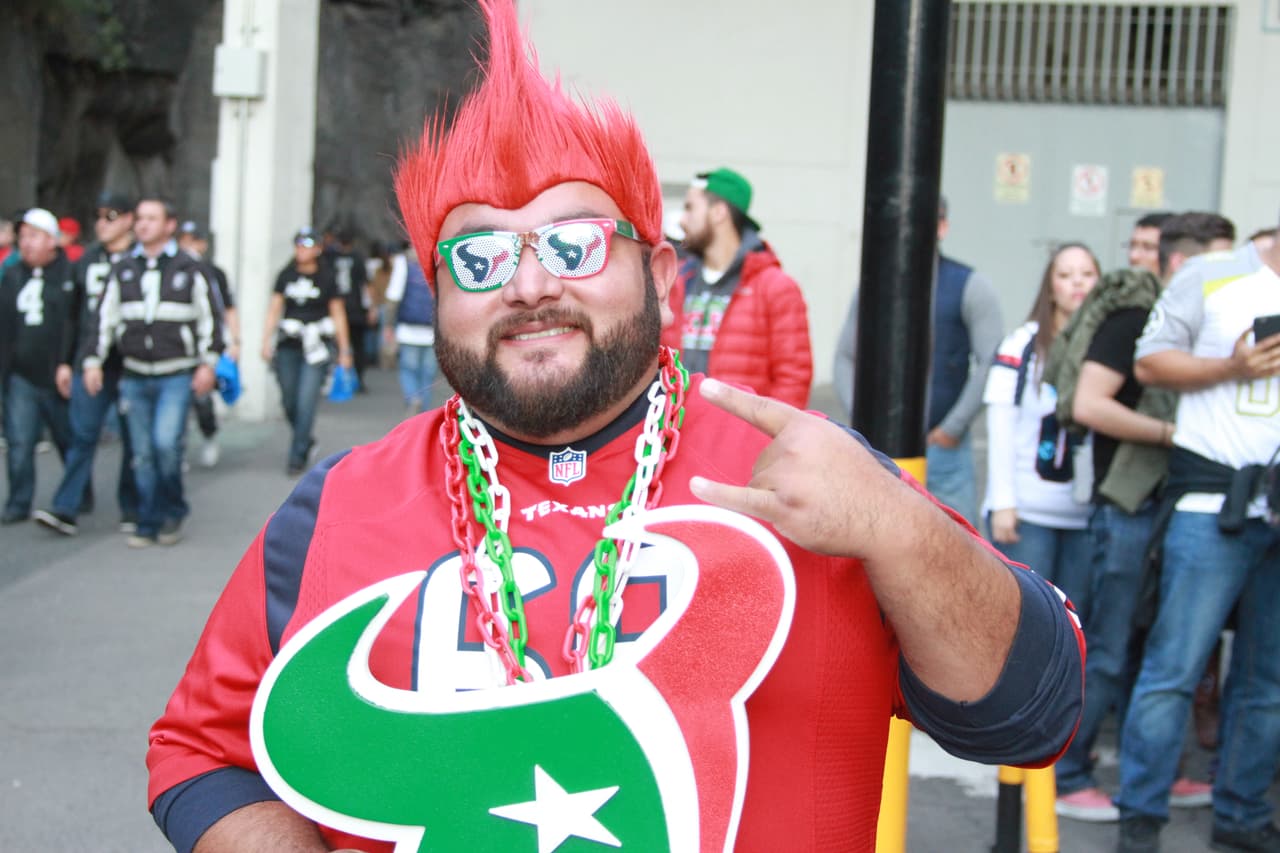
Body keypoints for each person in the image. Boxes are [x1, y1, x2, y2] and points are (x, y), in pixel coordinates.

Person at [145, 3, 1084, 851]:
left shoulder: (814, 481)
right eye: (478, 256)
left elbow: (1033, 713)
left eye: (575, 242)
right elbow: (200, 752)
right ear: (437, 296)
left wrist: (897, 526)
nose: (529, 284)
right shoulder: (338, 505)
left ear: (661, 277)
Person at [1043, 212, 1237, 825]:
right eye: (1226, 260)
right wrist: (1174, 434)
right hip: (1127, 505)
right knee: (1109, 646)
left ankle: (1149, 771)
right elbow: (1087, 404)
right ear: (1184, 264)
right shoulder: (1135, 319)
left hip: (1172, 502)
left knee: (1153, 648)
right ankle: (1067, 775)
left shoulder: (1195, 323)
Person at [1112, 224, 1280, 853]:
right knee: (1173, 669)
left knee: (1267, 680)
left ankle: (1241, 812)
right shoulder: (1211, 275)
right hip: (1212, 503)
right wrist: (1232, 366)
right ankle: (1140, 817)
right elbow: (1149, 362)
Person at [834, 195, 1005, 527]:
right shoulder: (873, 285)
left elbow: (991, 362)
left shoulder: (970, 286)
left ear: (943, 227)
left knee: (955, 541)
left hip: (944, 451)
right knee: (875, 537)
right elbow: (845, 356)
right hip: (877, 447)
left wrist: (952, 429)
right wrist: (861, 418)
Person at [84, 197, 223, 548]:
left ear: (169, 225)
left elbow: (211, 317)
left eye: (151, 218)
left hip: (175, 374)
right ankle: (148, 519)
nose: (143, 225)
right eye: (140, 218)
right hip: (134, 375)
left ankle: (172, 509)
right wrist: (92, 361)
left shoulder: (190, 267)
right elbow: (103, 318)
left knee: (165, 445)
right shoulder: (123, 267)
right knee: (141, 453)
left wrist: (208, 363)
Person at [983, 243, 1099, 616]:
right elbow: (1000, 424)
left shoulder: (1106, 347)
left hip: (1085, 514)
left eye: (1087, 274)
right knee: (1029, 619)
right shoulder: (1022, 344)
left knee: (1075, 621)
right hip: (1027, 514)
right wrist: (1003, 503)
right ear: (1050, 288)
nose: (1077, 283)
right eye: (1065, 275)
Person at [32, 191, 141, 536]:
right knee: (82, 435)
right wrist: (66, 362)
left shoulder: (141, 257)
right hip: (90, 359)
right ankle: (67, 507)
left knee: (133, 439)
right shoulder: (88, 259)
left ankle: (132, 507)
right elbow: (72, 314)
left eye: (111, 216)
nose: (101, 223)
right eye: (99, 215)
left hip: (131, 361)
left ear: (129, 219)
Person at [661, 167, 812, 408]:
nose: (681, 220)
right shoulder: (675, 281)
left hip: (743, 432)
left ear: (718, 212)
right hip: (677, 428)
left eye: (690, 208)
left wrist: (763, 431)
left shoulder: (776, 288)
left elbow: (792, 380)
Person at [0, 208, 77, 524]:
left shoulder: (70, 274)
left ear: (52, 240)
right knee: (19, 441)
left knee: (67, 438)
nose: (26, 243)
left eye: (34, 236)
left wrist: (68, 362)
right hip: (21, 374)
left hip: (57, 372)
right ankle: (18, 502)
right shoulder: (11, 275)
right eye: (22, 237)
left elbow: (75, 323)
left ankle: (77, 492)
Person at [260, 227, 352, 475]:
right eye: (299, 245)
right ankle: (306, 439)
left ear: (318, 249)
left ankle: (297, 454)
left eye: (308, 245)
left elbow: (338, 314)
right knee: (289, 399)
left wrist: (345, 350)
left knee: (306, 400)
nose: (302, 249)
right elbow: (274, 308)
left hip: (316, 347)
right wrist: (266, 340)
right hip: (288, 344)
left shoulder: (327, 277)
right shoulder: (286, 275)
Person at [178, 220, 240, 468]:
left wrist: (235, 340)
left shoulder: (213, 272)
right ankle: (176, 452)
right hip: (176, 348)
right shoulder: (171, 269)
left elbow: (227, 309)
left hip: (205, 347)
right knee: (177, 404)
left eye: (193, 240)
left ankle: (209, 435)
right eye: (183, 239)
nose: (187, 245)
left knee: (202, 400)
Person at [382, 245, 437, 415]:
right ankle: (424, 411)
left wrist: (388, 324)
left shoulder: (403, 262)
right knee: (428, 373)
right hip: (433, 330)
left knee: (408, 369)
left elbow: (394, 296)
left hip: (407, 329)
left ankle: (413, 399)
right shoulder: (437, 259)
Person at [324, 225, 371, 392]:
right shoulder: (358, 258)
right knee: (358, 346)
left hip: (336, 307)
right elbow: (365, 285)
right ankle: (358, 379)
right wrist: (370, 307)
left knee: (337, 345)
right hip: (356, 307)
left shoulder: (331, 258)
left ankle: (338, 379)